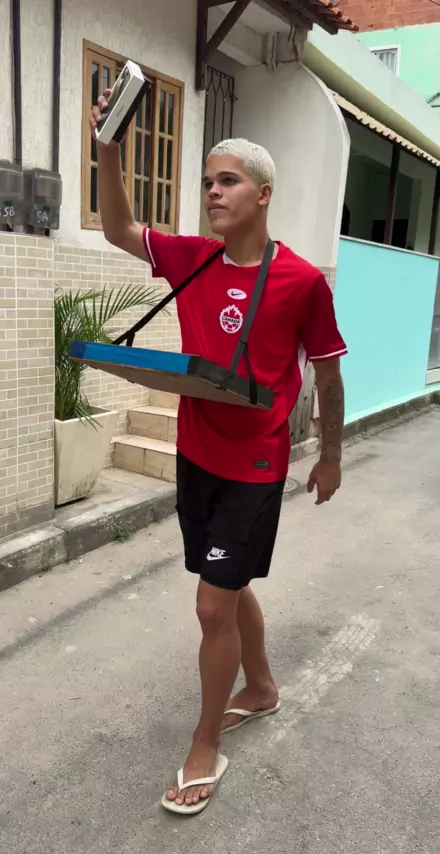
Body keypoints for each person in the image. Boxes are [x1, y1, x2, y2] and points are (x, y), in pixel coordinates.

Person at [90, 91, 347, 816]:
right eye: (207, 182)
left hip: (256, 466)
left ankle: (204, 742)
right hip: (197, 454)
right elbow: (117, 228)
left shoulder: (302, 281)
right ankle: (260, 687)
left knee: (211, 604)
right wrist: (108, 146)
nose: (212, 192)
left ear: (263, 195)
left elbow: (328, 376)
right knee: (226, 588)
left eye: (227, 180)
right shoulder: (193, 260)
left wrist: (330, 455)